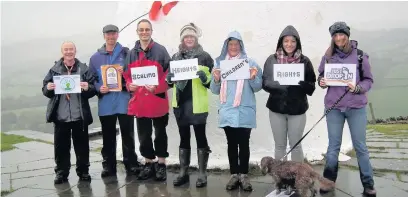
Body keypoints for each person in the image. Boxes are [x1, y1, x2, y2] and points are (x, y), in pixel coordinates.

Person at [317, 21, 376, 196]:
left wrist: (358, 88)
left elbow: (369, 80)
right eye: (335, 35)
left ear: (347, 36)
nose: (338, 38)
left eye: (341, 34)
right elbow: (321, 76)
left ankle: (368, 184)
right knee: (333, 147)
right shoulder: (328, 57)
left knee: (360, 147)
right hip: (334, 107)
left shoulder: (360, 56)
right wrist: (321, 82)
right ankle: (328, 182)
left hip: (356, 107)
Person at [210, 31, 263, 192]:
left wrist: (253, 77)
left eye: (236, 44)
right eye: (230, 44)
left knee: (244, 143)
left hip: (244, 110)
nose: (233, 47)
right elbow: (214, 90)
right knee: (232, 144)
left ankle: (244, 175)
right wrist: (217, 79)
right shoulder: (220, 64)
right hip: (227, 111)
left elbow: (258, 87)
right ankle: (234, 174)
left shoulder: (250, 62)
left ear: (241, 45)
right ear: (227, 46)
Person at [166, 23, 214, 188]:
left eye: (192, 36)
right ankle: (183, 172)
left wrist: (205, 78)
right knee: (184, 137)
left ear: (196, 38)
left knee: (201, 138)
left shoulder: (205, 56)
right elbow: (169, 81)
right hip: (180, 104)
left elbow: (212, 83)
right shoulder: (175, 57)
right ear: (182, 39)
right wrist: (169, 79)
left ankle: (202, 173)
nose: (189, 39)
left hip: (198, 105)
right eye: (186, 37)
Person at [123, 19, 171, 182]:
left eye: (147, 30)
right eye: (141, 30)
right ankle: (149, 162)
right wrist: (129, 85)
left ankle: (161, 164)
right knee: (144, 135)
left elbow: (169, 76)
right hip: (140, 102)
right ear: (137, 32)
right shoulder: (131, 53)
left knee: (160, 134)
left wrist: (157, 88)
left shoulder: (161, 51)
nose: (144, 32)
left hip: (157, 100)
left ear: (151, 31)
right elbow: (126, 75)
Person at [89, 24, 140, 178]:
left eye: (113, 34)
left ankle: (131, 164)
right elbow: (91, 80)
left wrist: (124, 73)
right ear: (104, 36)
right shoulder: (95, 58)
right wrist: (98, 87)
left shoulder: (127, 53)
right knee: (108, 136)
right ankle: (108, 165)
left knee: (128, 135)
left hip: (124, 101)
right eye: (108, 34)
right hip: (106, 103)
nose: (111, 37)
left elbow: (134, 74)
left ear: (118, 35)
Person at [42, 41, 96, 184]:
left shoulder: (83, 69)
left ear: (75, 51)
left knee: (82, 147)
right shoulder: (54, 70)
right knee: (61, 148)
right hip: (61, 117)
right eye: (66, 50)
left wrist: (87, 88)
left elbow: (93, 89)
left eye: (71, 49)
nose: (68, 52)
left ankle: (84, 172)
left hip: (79, 116)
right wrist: (48, 87)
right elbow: (45, 90)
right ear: (62, 52)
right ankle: (61, 173)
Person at [262, 25, 317, 162]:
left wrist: (302, 84)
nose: (289, 44)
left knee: (296, 146)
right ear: (281, 42)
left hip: (297, 110)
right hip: (276, 109)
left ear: (297, 43)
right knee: (280, 146)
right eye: (286, 41)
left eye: (293, 41)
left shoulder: (305, 61)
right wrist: (281, 85)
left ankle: (298, 180)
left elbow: (311, 88)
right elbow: (265, 83)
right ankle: (281, 180)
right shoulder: (272, 60)